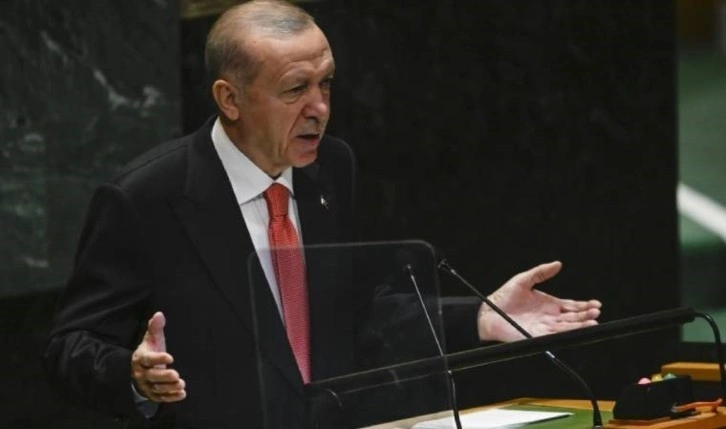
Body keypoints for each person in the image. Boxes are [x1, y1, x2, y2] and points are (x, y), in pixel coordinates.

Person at [43, 1, 602, 428]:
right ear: (230, 99)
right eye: (295, 90)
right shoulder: (147, 197)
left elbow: (354, 311)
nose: (320, 109)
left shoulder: (332, 168)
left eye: (326, 83)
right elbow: (69, 346)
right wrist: (132, 376)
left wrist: (479, 316)